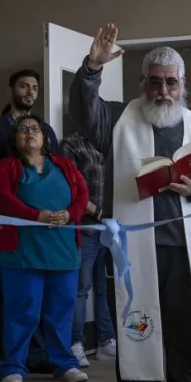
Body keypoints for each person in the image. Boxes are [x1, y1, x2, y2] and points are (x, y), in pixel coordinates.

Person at [69, 24, 191, 382]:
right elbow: (84, 114)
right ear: (143, 83)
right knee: (136, 326)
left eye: (171, 83)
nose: (163, 90)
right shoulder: (117, 120)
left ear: (183, 85)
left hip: (183, 250)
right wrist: (92, 67)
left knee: (185, 330)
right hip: (134, 251)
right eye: (155, 82)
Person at [0, 114, 90, 382]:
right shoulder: (6, 167)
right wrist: (37, 215)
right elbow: (3, 200)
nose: (29, 133)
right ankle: (12, 367)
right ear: (15, 138)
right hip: (22, 253)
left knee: (61, 311)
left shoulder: (65, 165)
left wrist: (70, 214)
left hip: (63, 251)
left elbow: (82, 194)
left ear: (45, 138)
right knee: (22, 311)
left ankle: (64, 363)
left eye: (35, 129)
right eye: (22, 129)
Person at [0, 69, 57, 371]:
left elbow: (54, 172)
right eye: (24, 86)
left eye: (35, 87)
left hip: (41, 223)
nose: (30, 91)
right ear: (11, 88)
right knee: (5, 292)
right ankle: (6, 355)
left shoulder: (46, 129)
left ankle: (36, 354)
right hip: (6, 221)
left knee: (37, 292)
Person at [61, 130, 116, 366]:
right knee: (81, 288)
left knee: (105, 287)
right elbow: (70, 188)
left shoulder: (113, 142)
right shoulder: (72, 145)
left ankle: (106, 340)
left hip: (112, 228)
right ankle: (76, 343)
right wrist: (99, 213)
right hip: (86, 226)